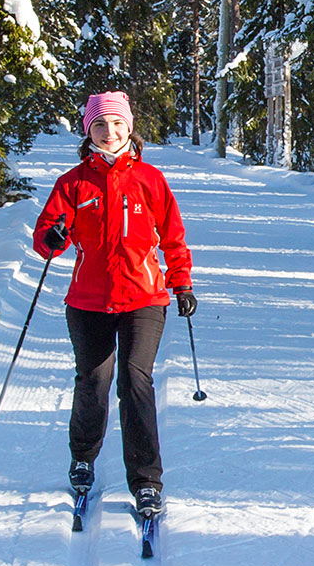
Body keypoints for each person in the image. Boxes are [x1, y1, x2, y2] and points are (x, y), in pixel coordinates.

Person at [33, 91, 196, 521]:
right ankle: (83, 456)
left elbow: (174, 237)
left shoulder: (150, 179)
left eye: (117, 124)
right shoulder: (73, 183)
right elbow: (48, 235)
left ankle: (146, 481)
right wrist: (52, 238)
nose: (110, 132)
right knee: (94, 380)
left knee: (134, 381)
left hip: (144, 298)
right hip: (88, 301)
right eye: (100, 125)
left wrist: (182, 285)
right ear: (89, 131)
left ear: (129, 127)